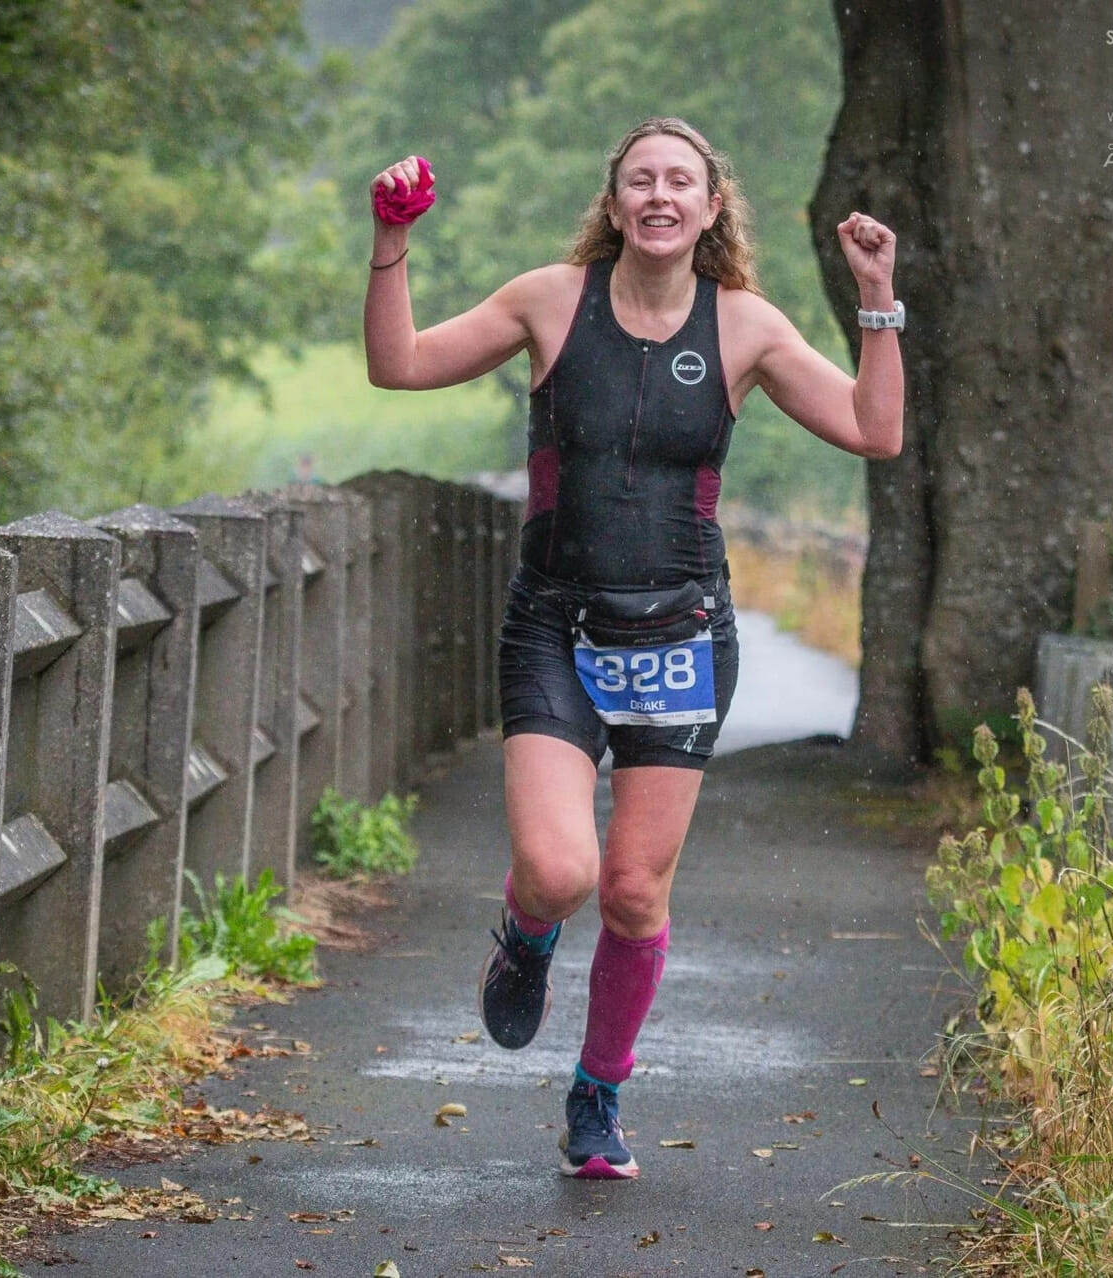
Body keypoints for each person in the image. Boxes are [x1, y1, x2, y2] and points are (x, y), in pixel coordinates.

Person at [362, 118, 903, 1180]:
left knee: (632, 892)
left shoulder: (744, 325)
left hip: (682, 634)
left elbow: (873, 430)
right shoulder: (548, 300)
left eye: (680, 182)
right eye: (640, 181)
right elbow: (400, 365)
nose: (660, 196)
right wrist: (392, 243)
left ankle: (597, 1094)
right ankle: (526, 936)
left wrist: (876, 297)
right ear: (613, 205)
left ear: (710, 208)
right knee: (559, 872)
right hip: (555, 623)